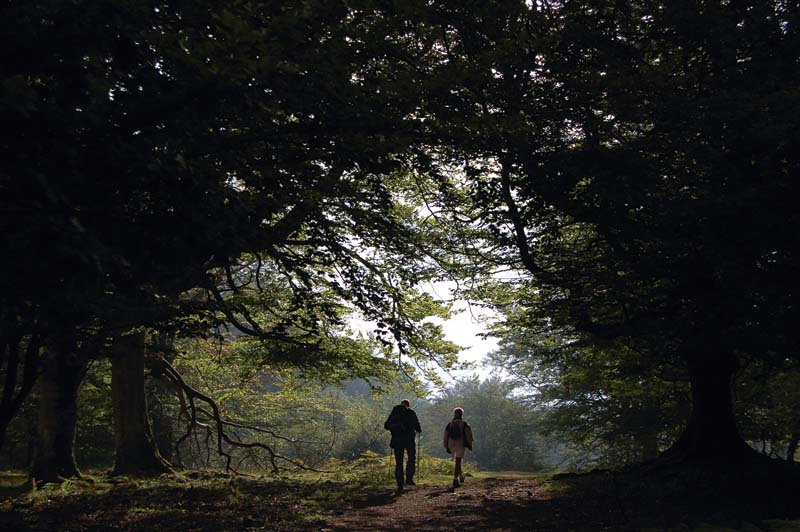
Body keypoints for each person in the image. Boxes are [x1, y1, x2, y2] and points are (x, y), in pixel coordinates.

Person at [384, 399, 422, 493]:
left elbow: (386, 425)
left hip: (397, 440)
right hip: (409, 440)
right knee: (411, 458)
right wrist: (418, 429)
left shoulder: (395, 412)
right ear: (408, 405)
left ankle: (400, 483)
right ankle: (409, 479)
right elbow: (417, 426)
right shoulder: (411, 413)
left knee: (399, 461)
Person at [443, 407, 473, 488]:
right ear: (461, 414)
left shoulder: (450, 424)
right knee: (458, 461)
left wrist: (446, 446)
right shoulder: (464, 424)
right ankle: (455, 479)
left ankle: (461, 476)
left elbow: (445, 436)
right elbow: (469, 435)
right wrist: (470, 445)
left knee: (457, 461)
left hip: (451, 444)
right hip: (460, 443)